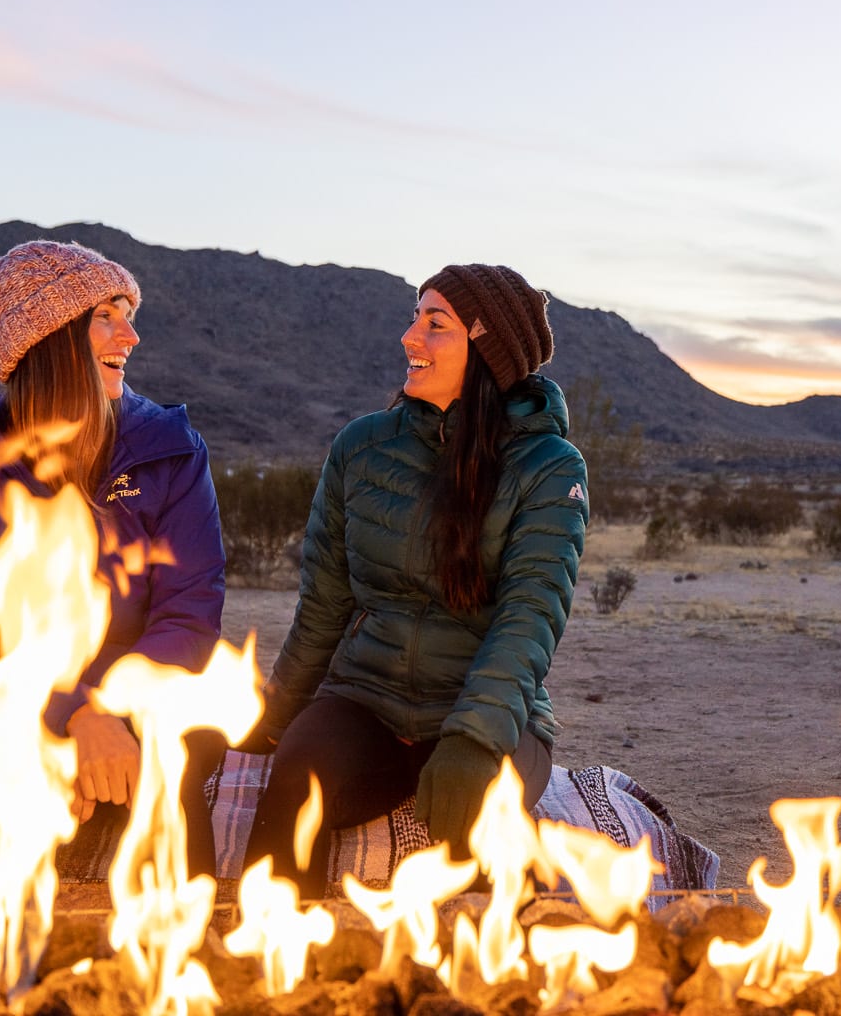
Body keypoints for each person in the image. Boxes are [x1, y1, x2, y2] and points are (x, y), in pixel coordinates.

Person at [0, 240, 227, 911]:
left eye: (127, 314)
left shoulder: (171, 452)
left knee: (182, 750)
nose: (130, 335)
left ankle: (186, 970)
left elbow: (190, 619)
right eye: (105, 315)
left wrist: (104, 715)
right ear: (46, 338)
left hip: (140, 708)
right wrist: (69, 716)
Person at [242, 263, 589, 895]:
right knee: (293, 788)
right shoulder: (361, 447)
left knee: (479, 835)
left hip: (482, 711)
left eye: (436, 324)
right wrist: (276, 717)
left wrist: (473, 739)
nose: (410, 336)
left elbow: (530, 616)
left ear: (488, 350)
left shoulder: (547, 465)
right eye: (414, 317)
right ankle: (272, 978)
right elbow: (323, 602)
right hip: (365, 700)